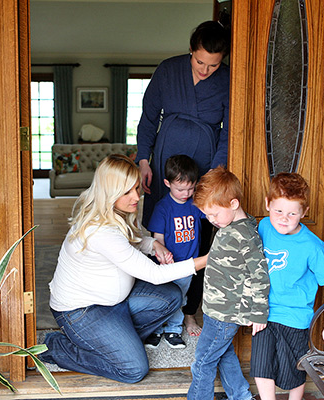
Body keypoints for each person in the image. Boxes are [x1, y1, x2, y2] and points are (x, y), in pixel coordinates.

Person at [39, 154, 207, 384]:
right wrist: (205, 260)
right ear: (110, 192)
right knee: (133, 368)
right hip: (82, 312)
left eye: (137, 188)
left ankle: (117, 340)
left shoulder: (118, 214)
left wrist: (154, 244)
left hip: (114, 303)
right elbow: (155, 275)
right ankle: (55, 346)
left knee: (172, 296)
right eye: (127, 191)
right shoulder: (100, 230)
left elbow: (133, 240)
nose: (136, 197)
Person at [136, 19, 230, 336]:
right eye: (200, 62)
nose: (205, 70)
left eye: (213, 65)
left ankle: (189, 312)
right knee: (162, 233)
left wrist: (214, 176)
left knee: (196, 241)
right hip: (166, 161)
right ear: (190, 50)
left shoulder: (229, 79)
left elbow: (229, 133)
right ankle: (153, 310)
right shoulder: (168, 69)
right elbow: (148, 117)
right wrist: (144, 160)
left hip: (204, 167)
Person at [251, 173, 324, 400]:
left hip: (295, 316)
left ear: (304, 212)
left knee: (296, 368)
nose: (283, 218)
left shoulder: (313, 246)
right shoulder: (263, 226)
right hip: (264, 313)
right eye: (278, 211)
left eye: (292, 213)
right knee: (261, 364)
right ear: (267, 204)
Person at [187, 167, 270, 400]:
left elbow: (260, 275)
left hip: (225, 314)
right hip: (217, 310)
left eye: (214, 214)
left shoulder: (246, 236)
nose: (211, 220)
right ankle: (241, 395)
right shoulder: (231, 227)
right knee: (224, 355)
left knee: (202, 362)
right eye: (207, 215)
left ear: (233, 203)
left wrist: (258, 313)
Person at [145, 155, 205, 349]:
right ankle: (155, 328)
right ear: (167, 183)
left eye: (190, 188)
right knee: (161, 297)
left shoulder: (195, 203)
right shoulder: (163, 208)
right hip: (166, 265)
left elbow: (212, 215)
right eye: (180, 189)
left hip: (187, 265)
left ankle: (173, 328)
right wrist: (161, 257)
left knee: (179, 296)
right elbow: (158, 238)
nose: (186, 193)